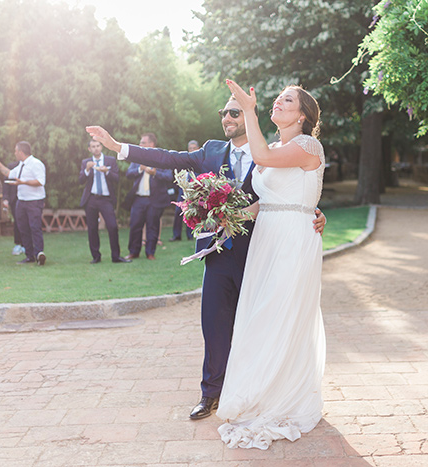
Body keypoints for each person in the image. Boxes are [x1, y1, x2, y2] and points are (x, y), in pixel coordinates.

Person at [86, 95, 326, 422]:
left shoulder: (270, 149)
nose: (226, 117)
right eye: (223, 112)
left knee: (261, 326)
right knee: (213, 324)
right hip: (219, 252)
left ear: (248, 116)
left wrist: (310, 211)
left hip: (265, 251)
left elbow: (292, 189)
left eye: (233, 112)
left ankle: (260, 390)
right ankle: (210, 393)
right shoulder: (211, 151)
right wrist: (117, 146)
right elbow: (167, 158)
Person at [215, 80, 326, 449]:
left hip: (293, 239)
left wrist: (249, 110)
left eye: (287, 100)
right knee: (259, 315)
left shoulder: (307, 145)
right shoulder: (277, 146)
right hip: (267, 237)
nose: (279, 102)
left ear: (303, 115)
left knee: (277, 314)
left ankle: (283, 397)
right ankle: (261, 390)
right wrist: (228, 217)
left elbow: (260, 158)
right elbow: (267, 199)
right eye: (278, 98)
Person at [0, 141, 47, 266]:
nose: (14, 153)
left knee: (34, 227)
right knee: (23, 228)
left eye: (16, 151)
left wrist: (23, 183)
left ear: (21, 152)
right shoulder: (21, 165)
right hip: (21, 201)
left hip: (34, 201)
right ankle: (29, 256)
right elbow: (9, 174)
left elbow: (40, 181)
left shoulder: (36, 164)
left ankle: (39, 254)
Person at [123, 133, 173, 261]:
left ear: (151, 144)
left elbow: (169, 176)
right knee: (135, 225)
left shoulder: (161, 158)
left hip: (155, 199)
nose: (140, 145)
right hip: (139, 199)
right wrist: (140, 169)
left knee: (152, 226)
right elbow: (128, 173)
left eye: (142, 142)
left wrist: (155, 172)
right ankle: (134, 252)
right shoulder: (137, 158)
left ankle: (150, 252)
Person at [79, 140, 130, 264]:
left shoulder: (110, 160)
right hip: (91, 198)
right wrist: (86, 170)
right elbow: (80, 180)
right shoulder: (86, 162)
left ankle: (116, 256)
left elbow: (117, 178)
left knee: (112, 226)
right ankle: (96, 257)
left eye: (98, 146)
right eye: (93, 147)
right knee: (92, 229)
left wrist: (107, 171)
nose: (96, 148)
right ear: (89, 149)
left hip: (106, 199)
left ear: (101, 147)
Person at [169, 140, 199, 242]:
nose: (192, 150)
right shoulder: (184, 161)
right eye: (190, 148)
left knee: (191, 213)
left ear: (198, 149)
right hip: (182, 192)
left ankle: (190, 235)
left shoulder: (200, 162)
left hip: (195, 192)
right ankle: (176, 235)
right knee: (178, 212)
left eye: (194, 148)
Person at [1, 161, 25, 256]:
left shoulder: (33, 165)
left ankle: (28, 245)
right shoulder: (12, 166)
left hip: (29, 198)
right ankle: (18, 244)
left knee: (29, 222)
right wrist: (5, 198)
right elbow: (6, 183)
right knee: (18, 222)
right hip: (15, 199)